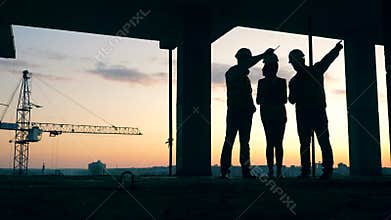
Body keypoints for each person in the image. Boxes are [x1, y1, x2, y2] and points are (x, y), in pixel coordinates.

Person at [288, 41, 343, 179]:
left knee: (315, 142)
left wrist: (336, 49)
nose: (294, 66)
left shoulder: (299, 79)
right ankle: (319, 170)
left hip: (310, 114)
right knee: (316, 142)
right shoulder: (312, 73)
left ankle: (313, 170)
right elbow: (292, 99)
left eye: (294, 63)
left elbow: (327, 59)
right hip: (313, 113)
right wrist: (336, 49)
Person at [220, 47, 274, 178]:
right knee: (231, 141)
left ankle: (244, 170)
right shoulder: (233, 72)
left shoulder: (243, 76)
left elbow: (246, 95)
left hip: (243, 113)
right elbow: (247, 65)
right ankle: (226, 169)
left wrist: (251, 107)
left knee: (243, 142)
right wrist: (263, 54)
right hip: (235, 113)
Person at [256, 52, 287, 178]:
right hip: (269, 116)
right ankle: (272, 170)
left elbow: (284, 99)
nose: (263, 69)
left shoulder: (281, 82)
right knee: (271, 142)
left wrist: (268, 98)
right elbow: (258, 100)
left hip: (277, 116)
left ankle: (278, 171)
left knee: (277, 143)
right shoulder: (262, 83)